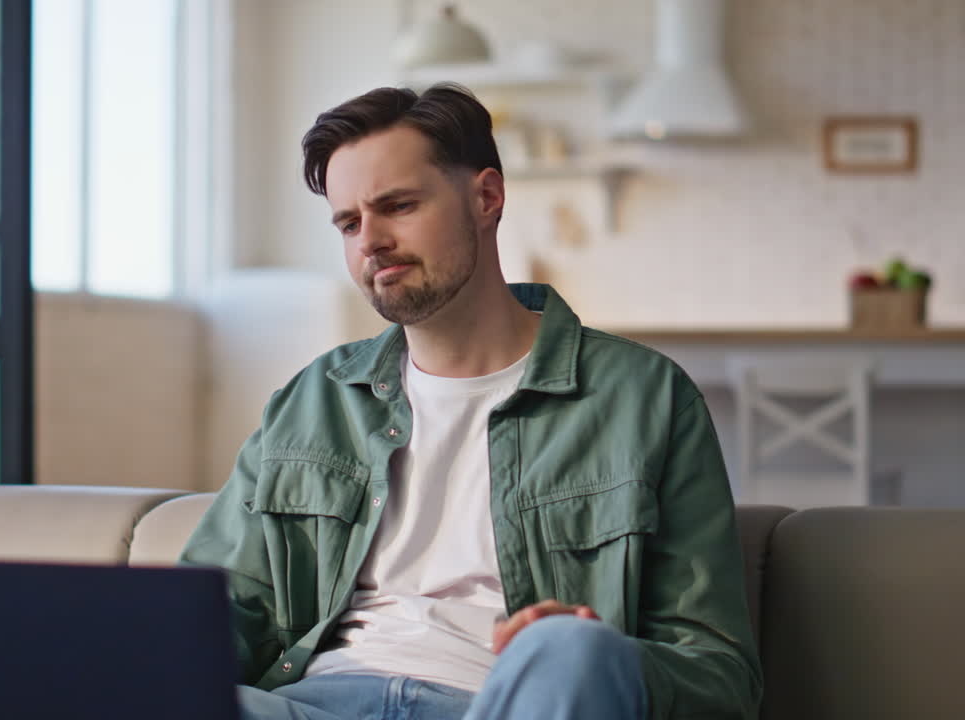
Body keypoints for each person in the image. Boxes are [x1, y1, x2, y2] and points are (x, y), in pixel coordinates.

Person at [180, 83, 761, 720]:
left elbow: (718, 671)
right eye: (349, 223)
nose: (369, 240)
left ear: (486, 198)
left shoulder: (645, 398)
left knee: (573, 648)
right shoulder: (308, 403)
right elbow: (216, 611)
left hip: (506, 702)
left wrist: (593, 651)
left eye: (397, 206)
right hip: (314, 705)